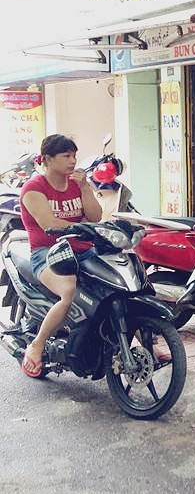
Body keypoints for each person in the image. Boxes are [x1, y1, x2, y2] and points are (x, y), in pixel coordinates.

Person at [18, 134, 103, 378]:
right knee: (69, 291)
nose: (73, 161)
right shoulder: (34, 188)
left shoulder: (77, 183)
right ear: (48, 159)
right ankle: (37, 345)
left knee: (116, 284)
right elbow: (49, 224)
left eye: (74, 156)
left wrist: (85, 187)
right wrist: (83, 227)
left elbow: (95, 216)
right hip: (46, 252)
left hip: (81, 249)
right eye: (66, 156)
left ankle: (144, 342)